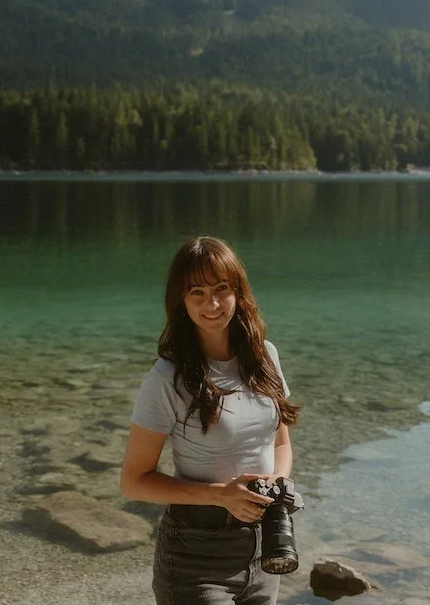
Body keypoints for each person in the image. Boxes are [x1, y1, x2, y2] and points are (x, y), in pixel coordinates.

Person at [121, 236, 300, 605]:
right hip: (195, 558)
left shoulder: (264, 356)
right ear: (180, 300)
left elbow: (280, 442)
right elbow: (134, 482)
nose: (212, 304)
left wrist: (277, 485)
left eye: (222, 289)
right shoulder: (166, 378)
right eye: (197, 292)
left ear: (239, 292)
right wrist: (220, 497)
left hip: (262, 550)